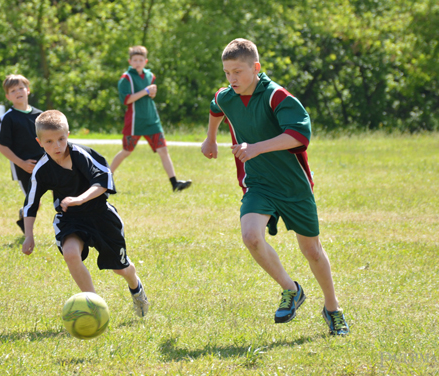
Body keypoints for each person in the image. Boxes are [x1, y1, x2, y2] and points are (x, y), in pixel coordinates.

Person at [201, 38, 349, 335]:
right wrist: (211, 138)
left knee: (312, 251)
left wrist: (256, 147)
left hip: (293, 186)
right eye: (227, 72)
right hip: (258, 184)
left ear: (256, 68)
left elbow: (298, 135)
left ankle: (332, 308)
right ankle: (291, 289)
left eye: (238, 72)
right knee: (251, 237)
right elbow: (215, 106)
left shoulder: (277, 96)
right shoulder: (228, 95)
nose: (232, 79)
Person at [21, 110, 149, 317]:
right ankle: (95, 307)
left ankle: (136, 288)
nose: (57, 146)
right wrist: (29, 235)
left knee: (120, 268)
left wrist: (80, 199)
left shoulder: (82, 154)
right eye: (50, 141)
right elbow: (30, 204)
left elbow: (104, 182)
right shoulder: (42, 170)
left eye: (61, 139)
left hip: (100, 216)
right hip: (70, 218)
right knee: (71, 253)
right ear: (39, 142)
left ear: (68, 134)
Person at [112, 45, 192, 192]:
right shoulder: (126, 78)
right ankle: (105, 179)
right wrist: (145, 91)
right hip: (135, 122)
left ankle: (175, 183)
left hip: (151, 120)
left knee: (163, 150)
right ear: (130, 61)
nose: (137, 63)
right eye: (134, 60)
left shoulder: (150, 76)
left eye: (140, 60)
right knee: (126, 151)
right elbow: (126, 100)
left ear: (145, 61)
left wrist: (151, 93)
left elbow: (150, 95)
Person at [0, 74, 44, 232]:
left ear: (28, 90)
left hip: (43, 163)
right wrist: (22, 164)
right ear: (8, 96)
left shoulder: (40, 115)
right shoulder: (8, 118)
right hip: (24, 167)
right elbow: (3, 147)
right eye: (13, 90)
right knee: (34, 202)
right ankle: (28, 233)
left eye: (21, 88)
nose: (18, 92)